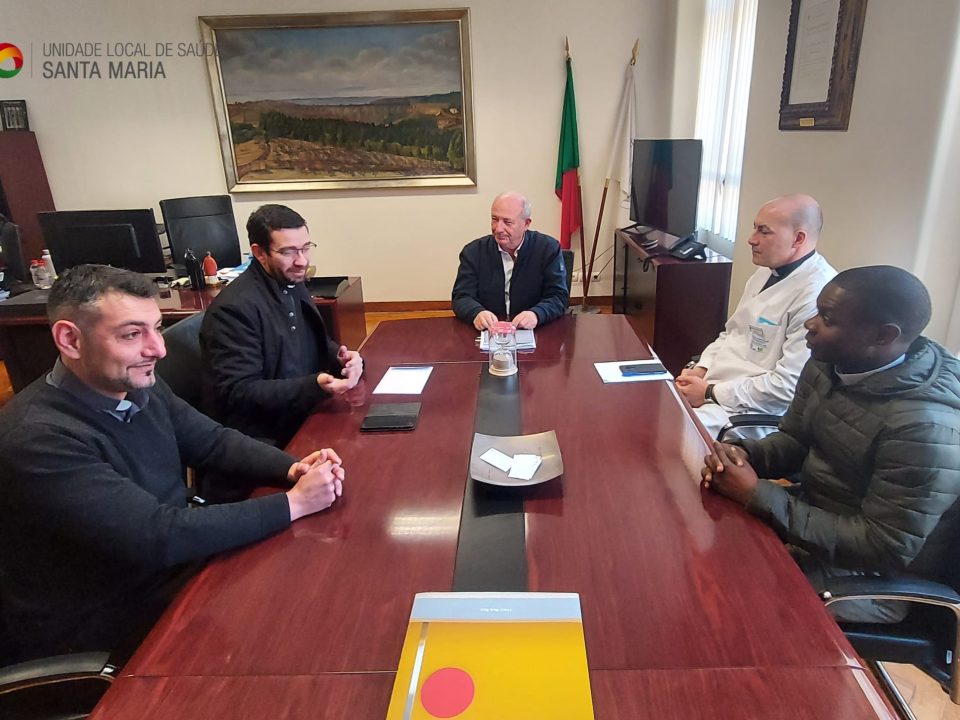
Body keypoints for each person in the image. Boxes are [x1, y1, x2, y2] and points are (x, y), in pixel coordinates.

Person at [0, 265, 346, 665]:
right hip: (98, 626)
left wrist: (293, 468)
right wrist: (295, 503)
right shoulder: (38, 439)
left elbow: (212, 440)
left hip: (170, 574)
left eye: (157, 328)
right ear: (70, 340)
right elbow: (158, 536)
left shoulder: (132, 383)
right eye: (132, 334)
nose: (158, 350)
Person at [702, 266, 960, 623]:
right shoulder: (830, 363)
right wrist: (745, 455)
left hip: (873, 582)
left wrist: (755, 494)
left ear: (884, 335)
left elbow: (882, 546)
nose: (810, 325)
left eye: (827, 318)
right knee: (700, 541)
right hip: (814, 527)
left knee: (717, 597)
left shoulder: (924, 427)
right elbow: (795, 440)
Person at [201, 204, 363, 453]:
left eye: (305, 248)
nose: (302, 261)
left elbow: (307, 343)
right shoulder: (233, 310)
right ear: (259, 253)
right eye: (288, 252)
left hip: (303, 415)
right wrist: (314, 386)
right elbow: (238, 392)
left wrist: (344, 359)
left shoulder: (290, 280)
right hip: (267, 438)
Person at [675, 194, 836, 437]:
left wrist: (710, 392)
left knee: (668, 432)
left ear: (798, 238)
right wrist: (702, 368)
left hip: (750, 412)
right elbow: (732, 333)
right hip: (715, 387)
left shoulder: (816, 294)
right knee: (652, 405)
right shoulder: (765, 273)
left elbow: (787, 387)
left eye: (764, 231)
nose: (751, 239)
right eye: (755, 228)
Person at [452, 192, 569, 330]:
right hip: (489, 331)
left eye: (507, 222)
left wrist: (536, 314)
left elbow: (558, 296)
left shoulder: (548, 248)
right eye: (495, 219)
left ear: (526, 224)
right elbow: (461, 297)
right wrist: (476, 313)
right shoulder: (473, 252)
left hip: (534, 330)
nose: (498, 228)